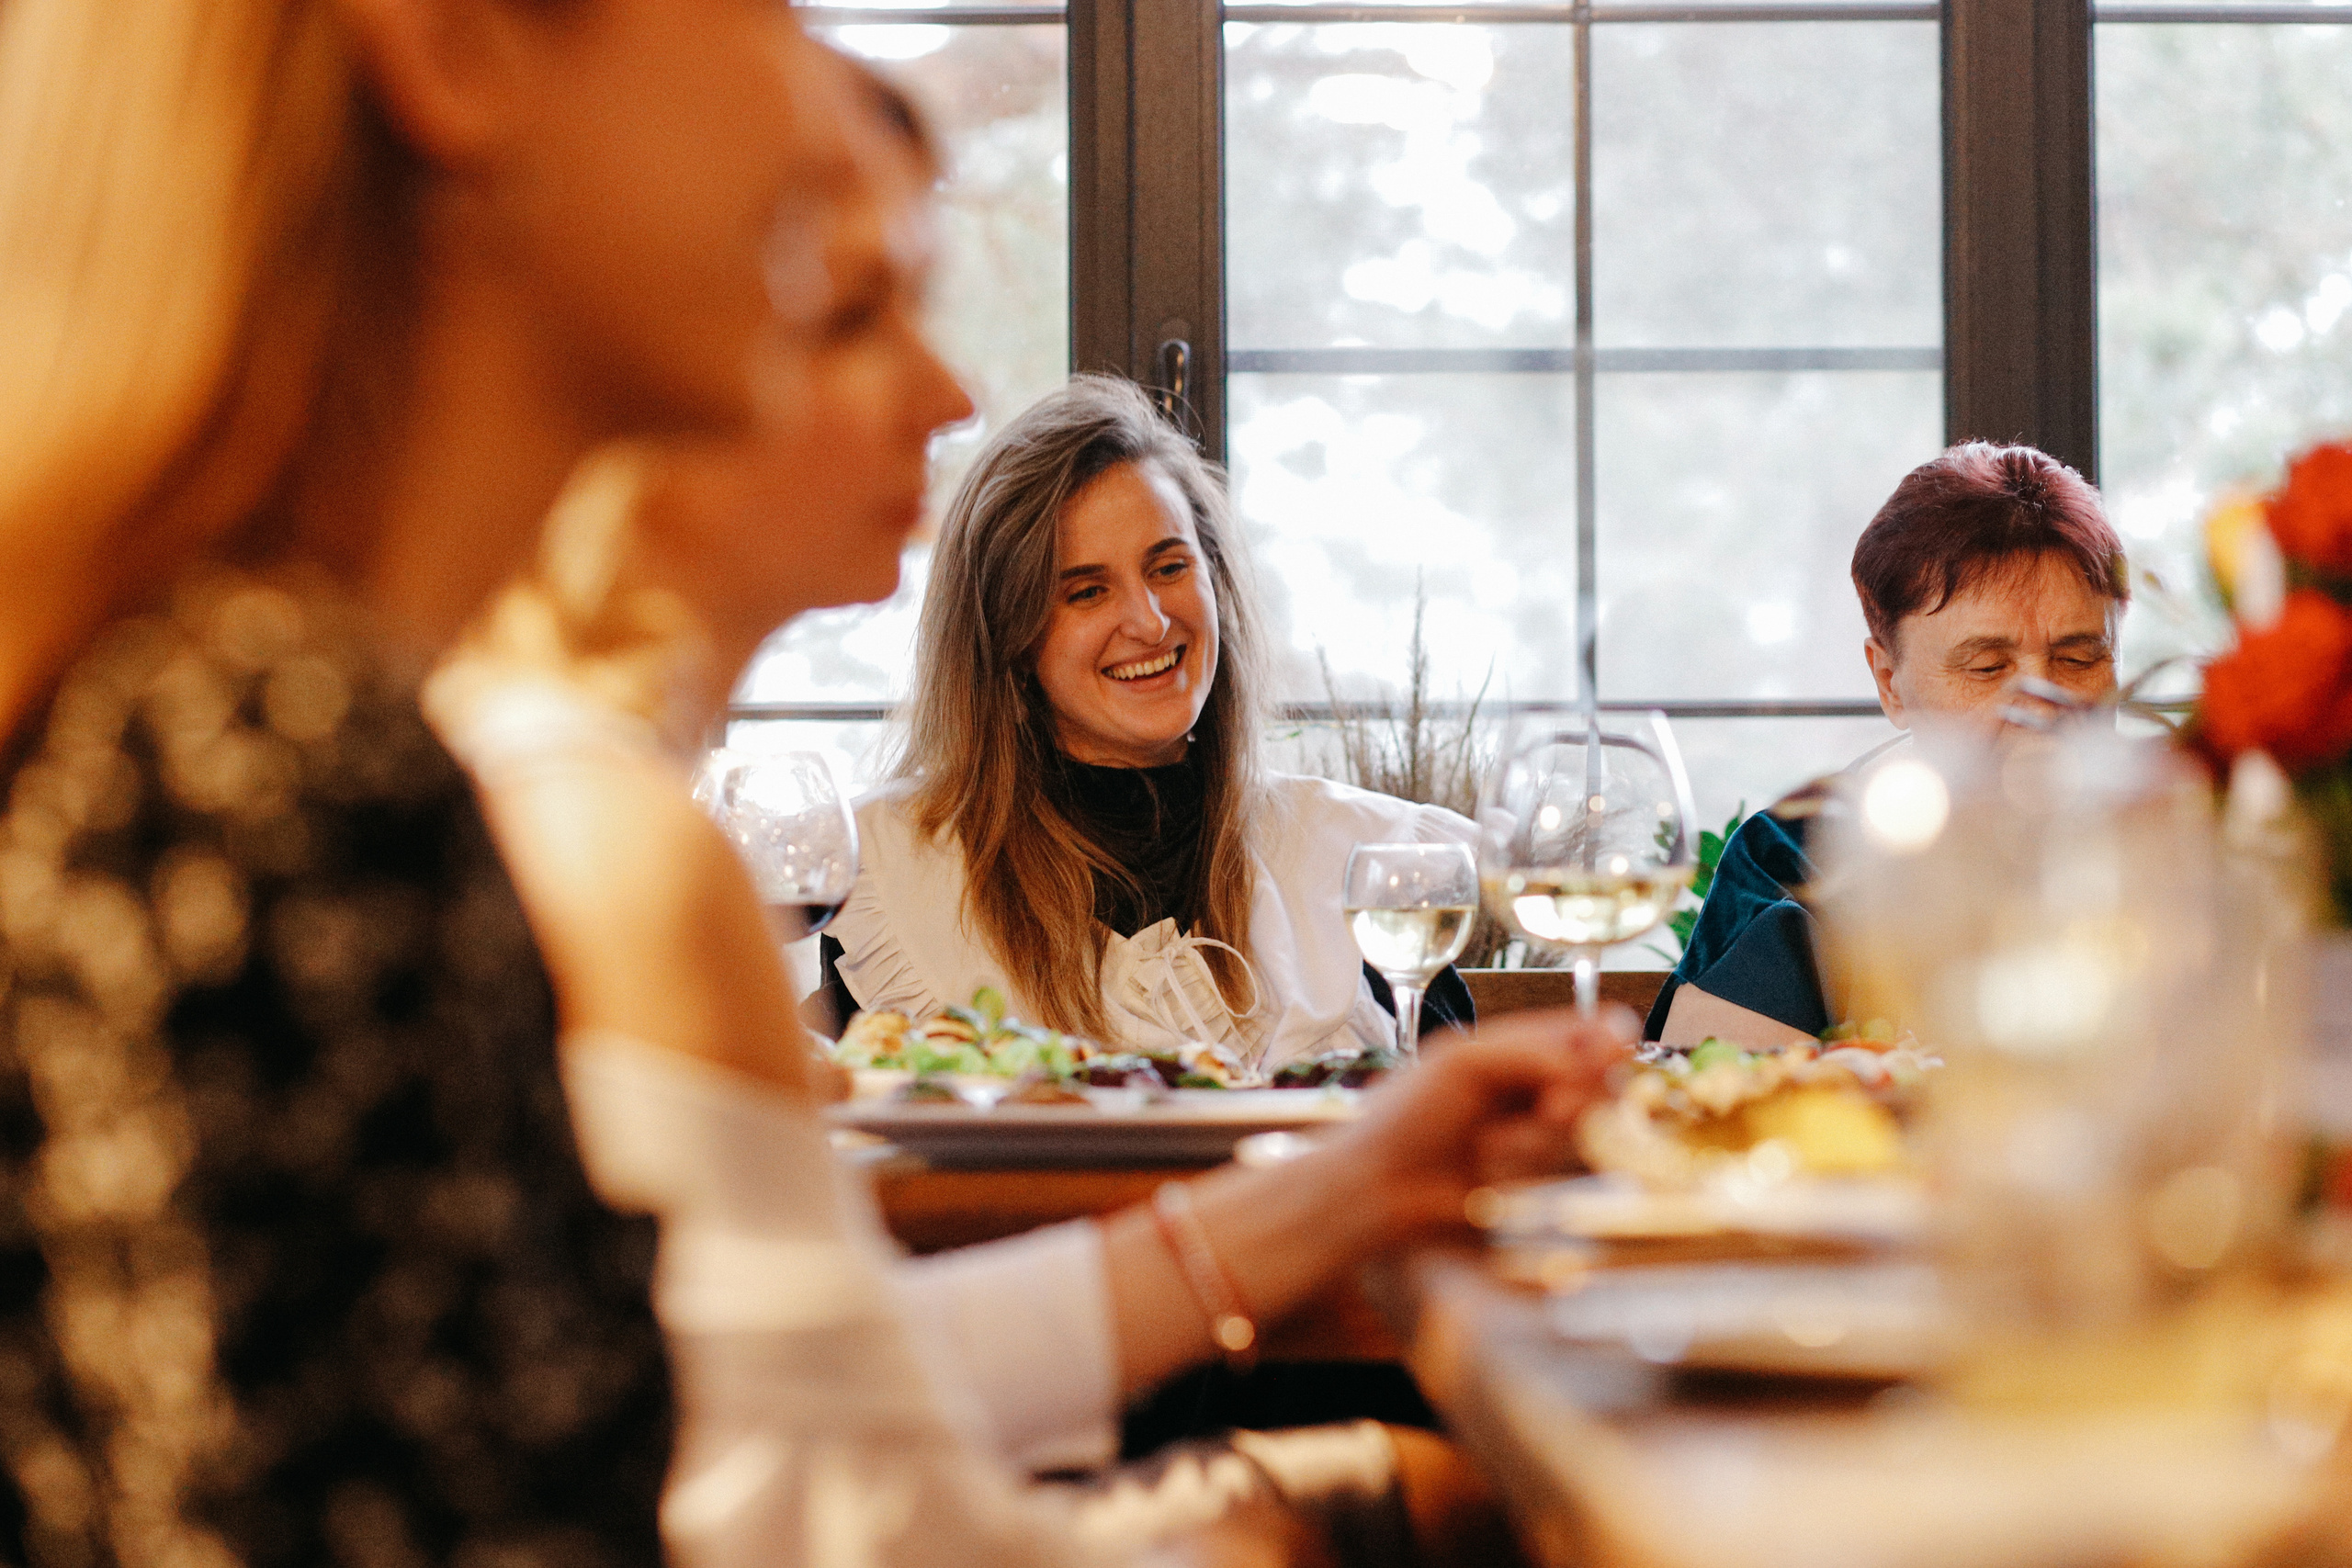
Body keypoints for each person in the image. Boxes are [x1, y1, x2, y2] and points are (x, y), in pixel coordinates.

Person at [433, 77, 1625, 1565]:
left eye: (1169, 566)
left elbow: (809, 1399)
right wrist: (1266, 1527)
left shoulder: (556, 795)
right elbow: (834, 1505)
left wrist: (1352, 1181)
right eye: (857, 311)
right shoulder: (603, 846)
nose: (945, 396)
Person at [0, 0, 872, 1559]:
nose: (822, 120)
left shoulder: (208, 712)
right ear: (457, 51)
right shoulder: (263, 764)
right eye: (766, 10)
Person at [821, 376, 1476, 1073]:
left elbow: (1451, 1137)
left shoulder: (1362, 858)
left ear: (1214, 579)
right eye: (1087, 590)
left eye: (1168, 567)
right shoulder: (887, 878)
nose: (1150, 620)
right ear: (1008, 638)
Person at [1648, 441, 2128, 1049]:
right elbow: (1717, 1108)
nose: (2042, 707)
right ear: (1889, 682)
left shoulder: (2194, 838)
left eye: (2080, 657)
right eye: (1986, 666)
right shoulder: (1800, 856)